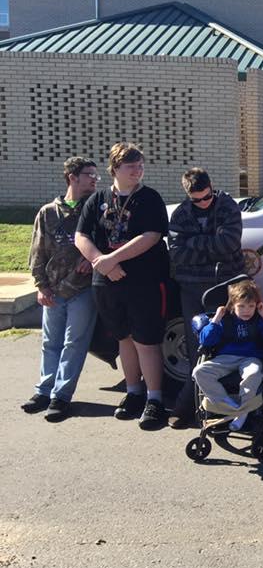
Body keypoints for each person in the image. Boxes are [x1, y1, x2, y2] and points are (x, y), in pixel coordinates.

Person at [75, 142, 171, 430]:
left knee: (146, 339)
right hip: (106, 283)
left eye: (140, 165)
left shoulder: (150, 198)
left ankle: (155, 399)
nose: (138, 171)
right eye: (131, 166)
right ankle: (134, 393)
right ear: (115, 168)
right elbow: (81, 236)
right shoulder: (98, 199)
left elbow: (152, 235)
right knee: (124, 338)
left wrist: (112, 259)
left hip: (143, 281)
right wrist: (101, 262)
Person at [21, 157, 100, 422]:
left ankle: (61, 396)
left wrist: (92, 260)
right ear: (72, 177)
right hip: (52, 290)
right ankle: (43, 392)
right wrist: (41, 286)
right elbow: (37, 251)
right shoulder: (48, 212)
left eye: (96, 176)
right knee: (50, 343)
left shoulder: (95, 210)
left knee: (73, 344)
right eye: (89, 175)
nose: (94, 180)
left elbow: (105, 244)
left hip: (82, 290)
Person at [167, 167, 244, 428]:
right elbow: (177, 254)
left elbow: (229, 244)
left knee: (227, 344)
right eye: (197, 199)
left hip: (225, 284)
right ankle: (187, 405)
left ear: (212, 187)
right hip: (191, 288)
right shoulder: (180, 214)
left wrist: (194, 243)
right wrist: (210, 244)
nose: (203, 202)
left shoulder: (227, 206)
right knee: (197, 346)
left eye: (206, 196)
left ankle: (228, 407)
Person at [192, 279, 263, 432]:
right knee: (199, 372)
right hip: (225, 358)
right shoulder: (225, 319)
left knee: (254, 374)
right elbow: (206, 341)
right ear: (232, 306)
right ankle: (227, 404)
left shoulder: (259, 320)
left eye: (251, 306)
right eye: (241, 306)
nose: (246, 310)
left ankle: (242, 414)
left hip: (251, 358)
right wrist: (216, 319)